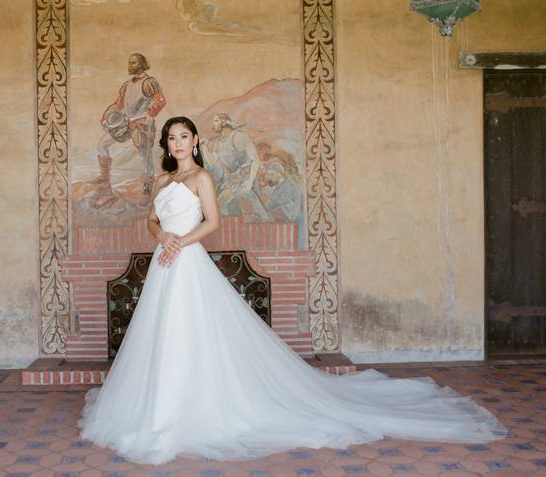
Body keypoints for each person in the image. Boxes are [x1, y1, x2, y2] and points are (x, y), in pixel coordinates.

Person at [78, 116, 506, 465]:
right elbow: (152, 220)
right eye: (171, 138)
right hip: (163, 261)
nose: (177, 143)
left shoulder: (202, 178)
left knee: (191, 331)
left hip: (186, 260)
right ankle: (155, 406)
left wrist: (179, 242)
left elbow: (213, 223)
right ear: (166, 144)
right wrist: (161, 238)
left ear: (194, 141)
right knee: (159, 334)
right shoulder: (161, 179)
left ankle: (197, 405)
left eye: (183, 137)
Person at [94, 53, 166, 204]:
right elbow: (119, 103)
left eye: (133, 63)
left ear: (141, 64)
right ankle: (104, 181)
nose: (130, 65)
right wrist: (107, 115)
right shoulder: (127, 84)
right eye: (129, 63)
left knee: (144, 155)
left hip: (142, 124)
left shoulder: (148, 82)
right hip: (126, 123)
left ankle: (147, 190)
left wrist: (147, 116)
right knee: (102, 145)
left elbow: (160, 101)